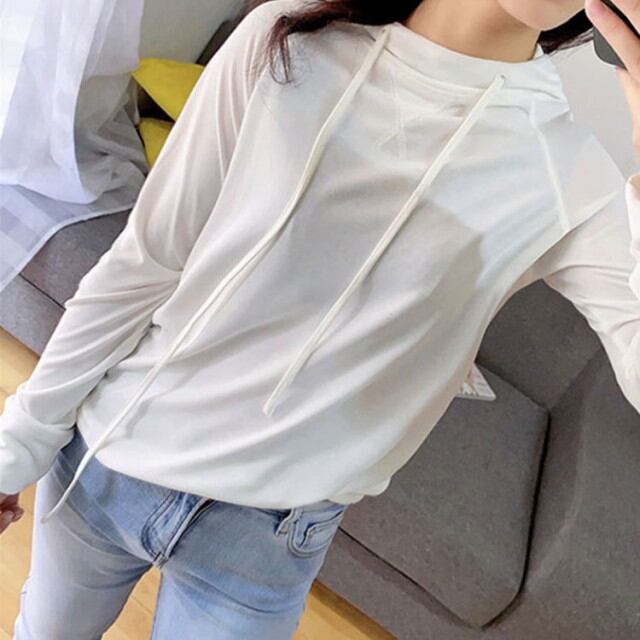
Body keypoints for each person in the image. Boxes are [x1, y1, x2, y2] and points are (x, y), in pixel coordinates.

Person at [1, 0, 639, 637]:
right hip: (106, 460)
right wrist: (20, 439)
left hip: (266, 545)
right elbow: (146, 262)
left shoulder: (570, 173)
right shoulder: (291, 40)